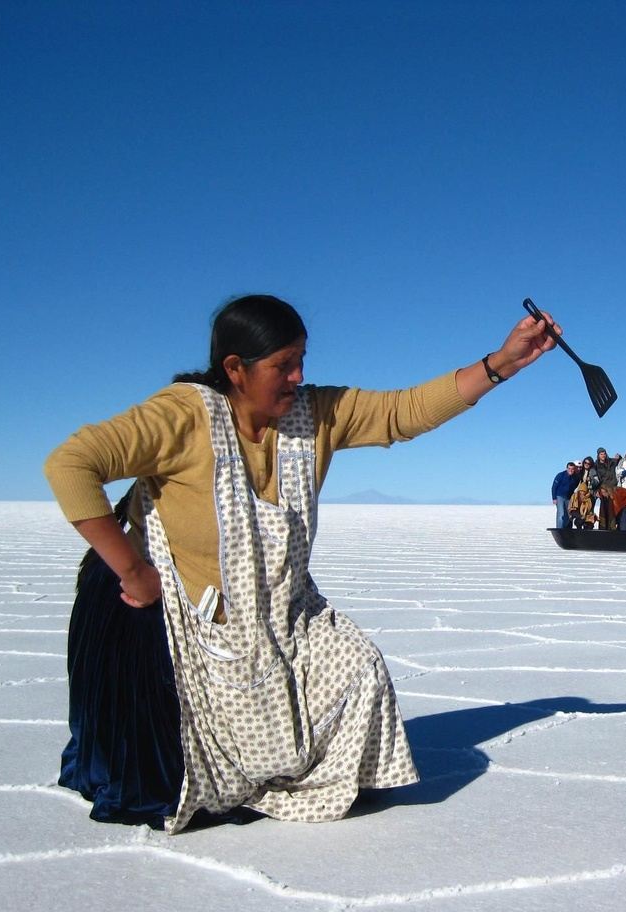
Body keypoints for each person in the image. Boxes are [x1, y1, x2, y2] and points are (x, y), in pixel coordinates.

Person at [45, 294, 556, 832]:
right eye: (282, 365)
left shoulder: (315, 415)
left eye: (301, 360)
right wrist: (131, 570)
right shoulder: (182, 416)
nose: (298, 376)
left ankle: (324, 781)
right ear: (235, 369)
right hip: (182, 616)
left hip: (280, 607)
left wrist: (504, 362)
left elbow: (403, 412)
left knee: (359, 669)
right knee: (188, 772)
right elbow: (71, 464)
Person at [551, 461, 581, 529]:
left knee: (569, 515)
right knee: (561, 514)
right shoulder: (560, 475)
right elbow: (554, 487)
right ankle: (559, 530)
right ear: (567, 468)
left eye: (572, 469)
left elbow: (576, 487)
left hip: (568, 498)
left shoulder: (575, 478)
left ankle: (566, 529)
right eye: (569, 469)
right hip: (560, 496)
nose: (571, 470)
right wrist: (554, 498)